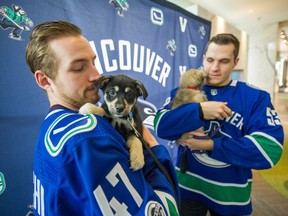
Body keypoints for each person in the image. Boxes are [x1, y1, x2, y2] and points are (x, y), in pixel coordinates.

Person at [25, 20, 179, 216]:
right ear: (44, 80)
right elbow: (161, 212)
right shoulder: (90, 135)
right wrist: (152, 148)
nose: (96, 75)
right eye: (79, 67)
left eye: (93, 62)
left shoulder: (49, 127)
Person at [154, 33, 284, 216]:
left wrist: (211, 145)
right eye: (210, 60)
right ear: (203, 59)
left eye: (224, 61)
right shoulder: (186, 90)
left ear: (235, 62)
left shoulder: (254, 97)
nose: (214, 68)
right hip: (187, 187)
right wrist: (199, 111)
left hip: (231, 196)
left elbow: (270, 149)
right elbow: (161, 126)